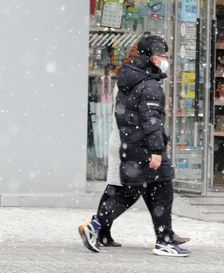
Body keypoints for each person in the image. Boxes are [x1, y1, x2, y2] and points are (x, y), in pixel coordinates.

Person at [78, 36, 190, 257]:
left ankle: (99, 227)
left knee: (131, 192)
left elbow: (127, 117)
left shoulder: (130, 79)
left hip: (130, 145)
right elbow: (151, 120)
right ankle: (164, 240)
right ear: (155, 58)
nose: (167, 60)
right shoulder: (149, 86)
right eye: (164, 56)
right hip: (145, 148)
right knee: (160, 191)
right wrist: (157, 150)